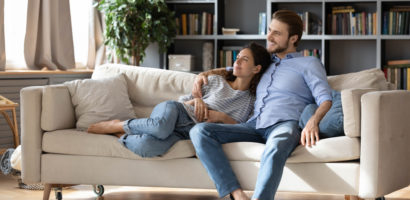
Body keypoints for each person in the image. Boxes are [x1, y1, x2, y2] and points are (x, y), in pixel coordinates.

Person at [189, 10, 333, 200]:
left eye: (277, 33)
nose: (269, 37)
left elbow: (325, 98)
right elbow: (232, 69)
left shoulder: (309, 63)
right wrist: (202, 75)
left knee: (276, 146)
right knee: (199, 132)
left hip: (285, 125)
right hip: (253, 125)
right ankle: (237, 194)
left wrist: (313, 121)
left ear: (293, 38)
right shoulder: (263, 63)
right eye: (269, 30)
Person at [87, 42, 272, 158]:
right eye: (237, 57)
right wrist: (196, 101)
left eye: (244, 60)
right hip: (175, 113)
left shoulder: (252, 101)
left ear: (256, 69)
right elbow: (181, 102)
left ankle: (123, 134)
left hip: (186, 132)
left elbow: (243, 129)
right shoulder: (216, 80)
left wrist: (221, 117)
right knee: (160, 127)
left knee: (148, 147)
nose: (237, 62)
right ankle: (119, 125)